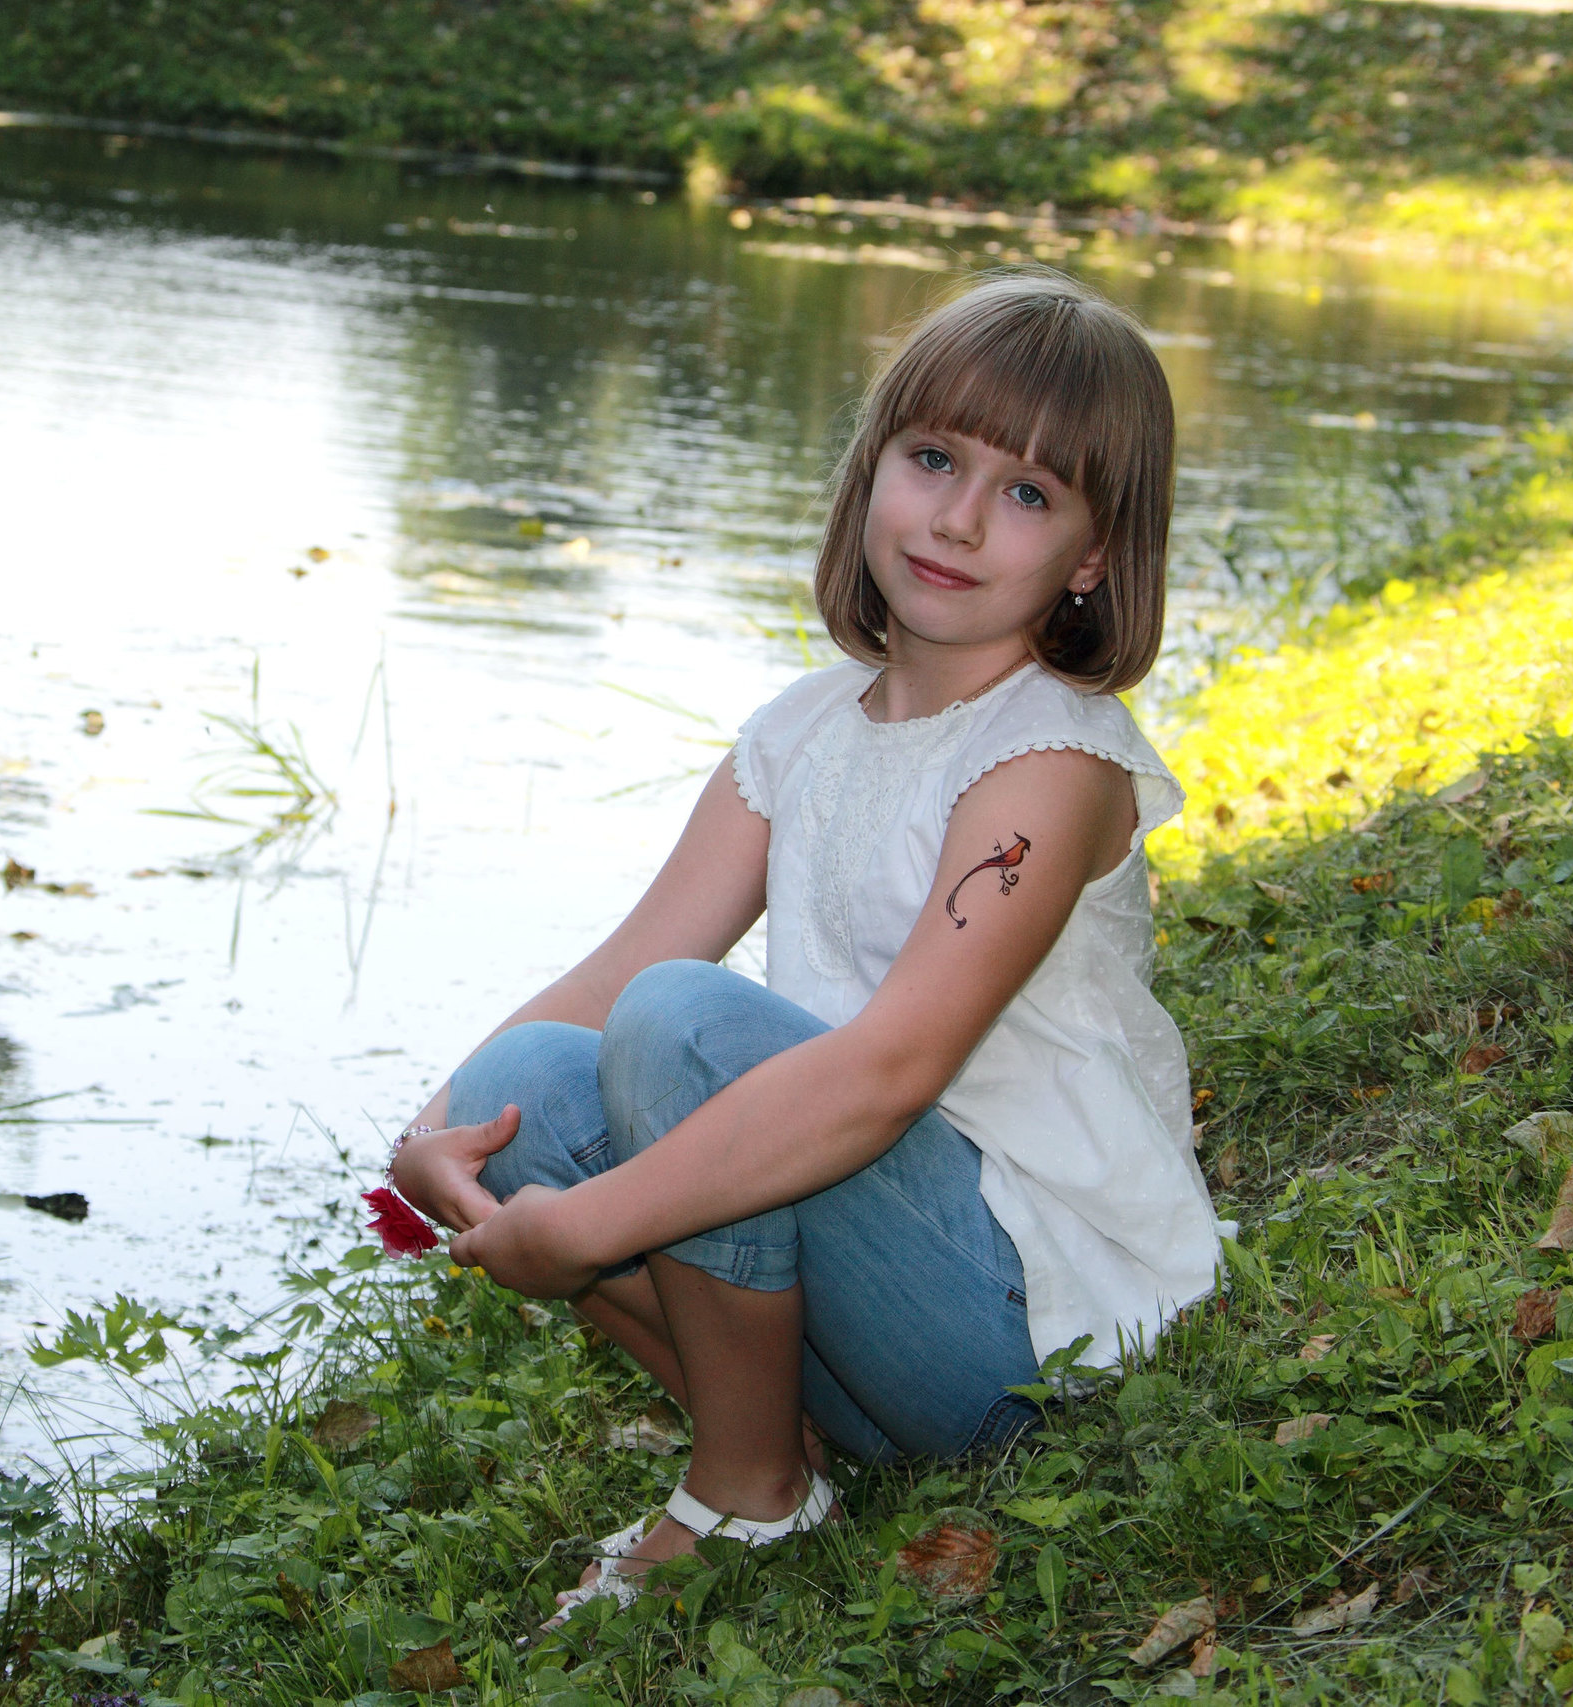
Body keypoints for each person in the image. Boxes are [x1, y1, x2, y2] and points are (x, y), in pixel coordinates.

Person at [380, 267, 1227, 1621]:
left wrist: (584, 1225)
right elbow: (617, 967)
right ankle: (782, 1452)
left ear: (1093, 556)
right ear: (871, 467)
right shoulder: (802, 733)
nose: (957, 518)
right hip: (861, 1290)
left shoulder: (1050, 763)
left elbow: (888, 1073)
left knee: (685, 1025)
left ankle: (745, 1496)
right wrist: (432, 1130)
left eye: (1027, 493)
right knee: (518, 1085)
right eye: (933, 459)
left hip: (1020, 1324)